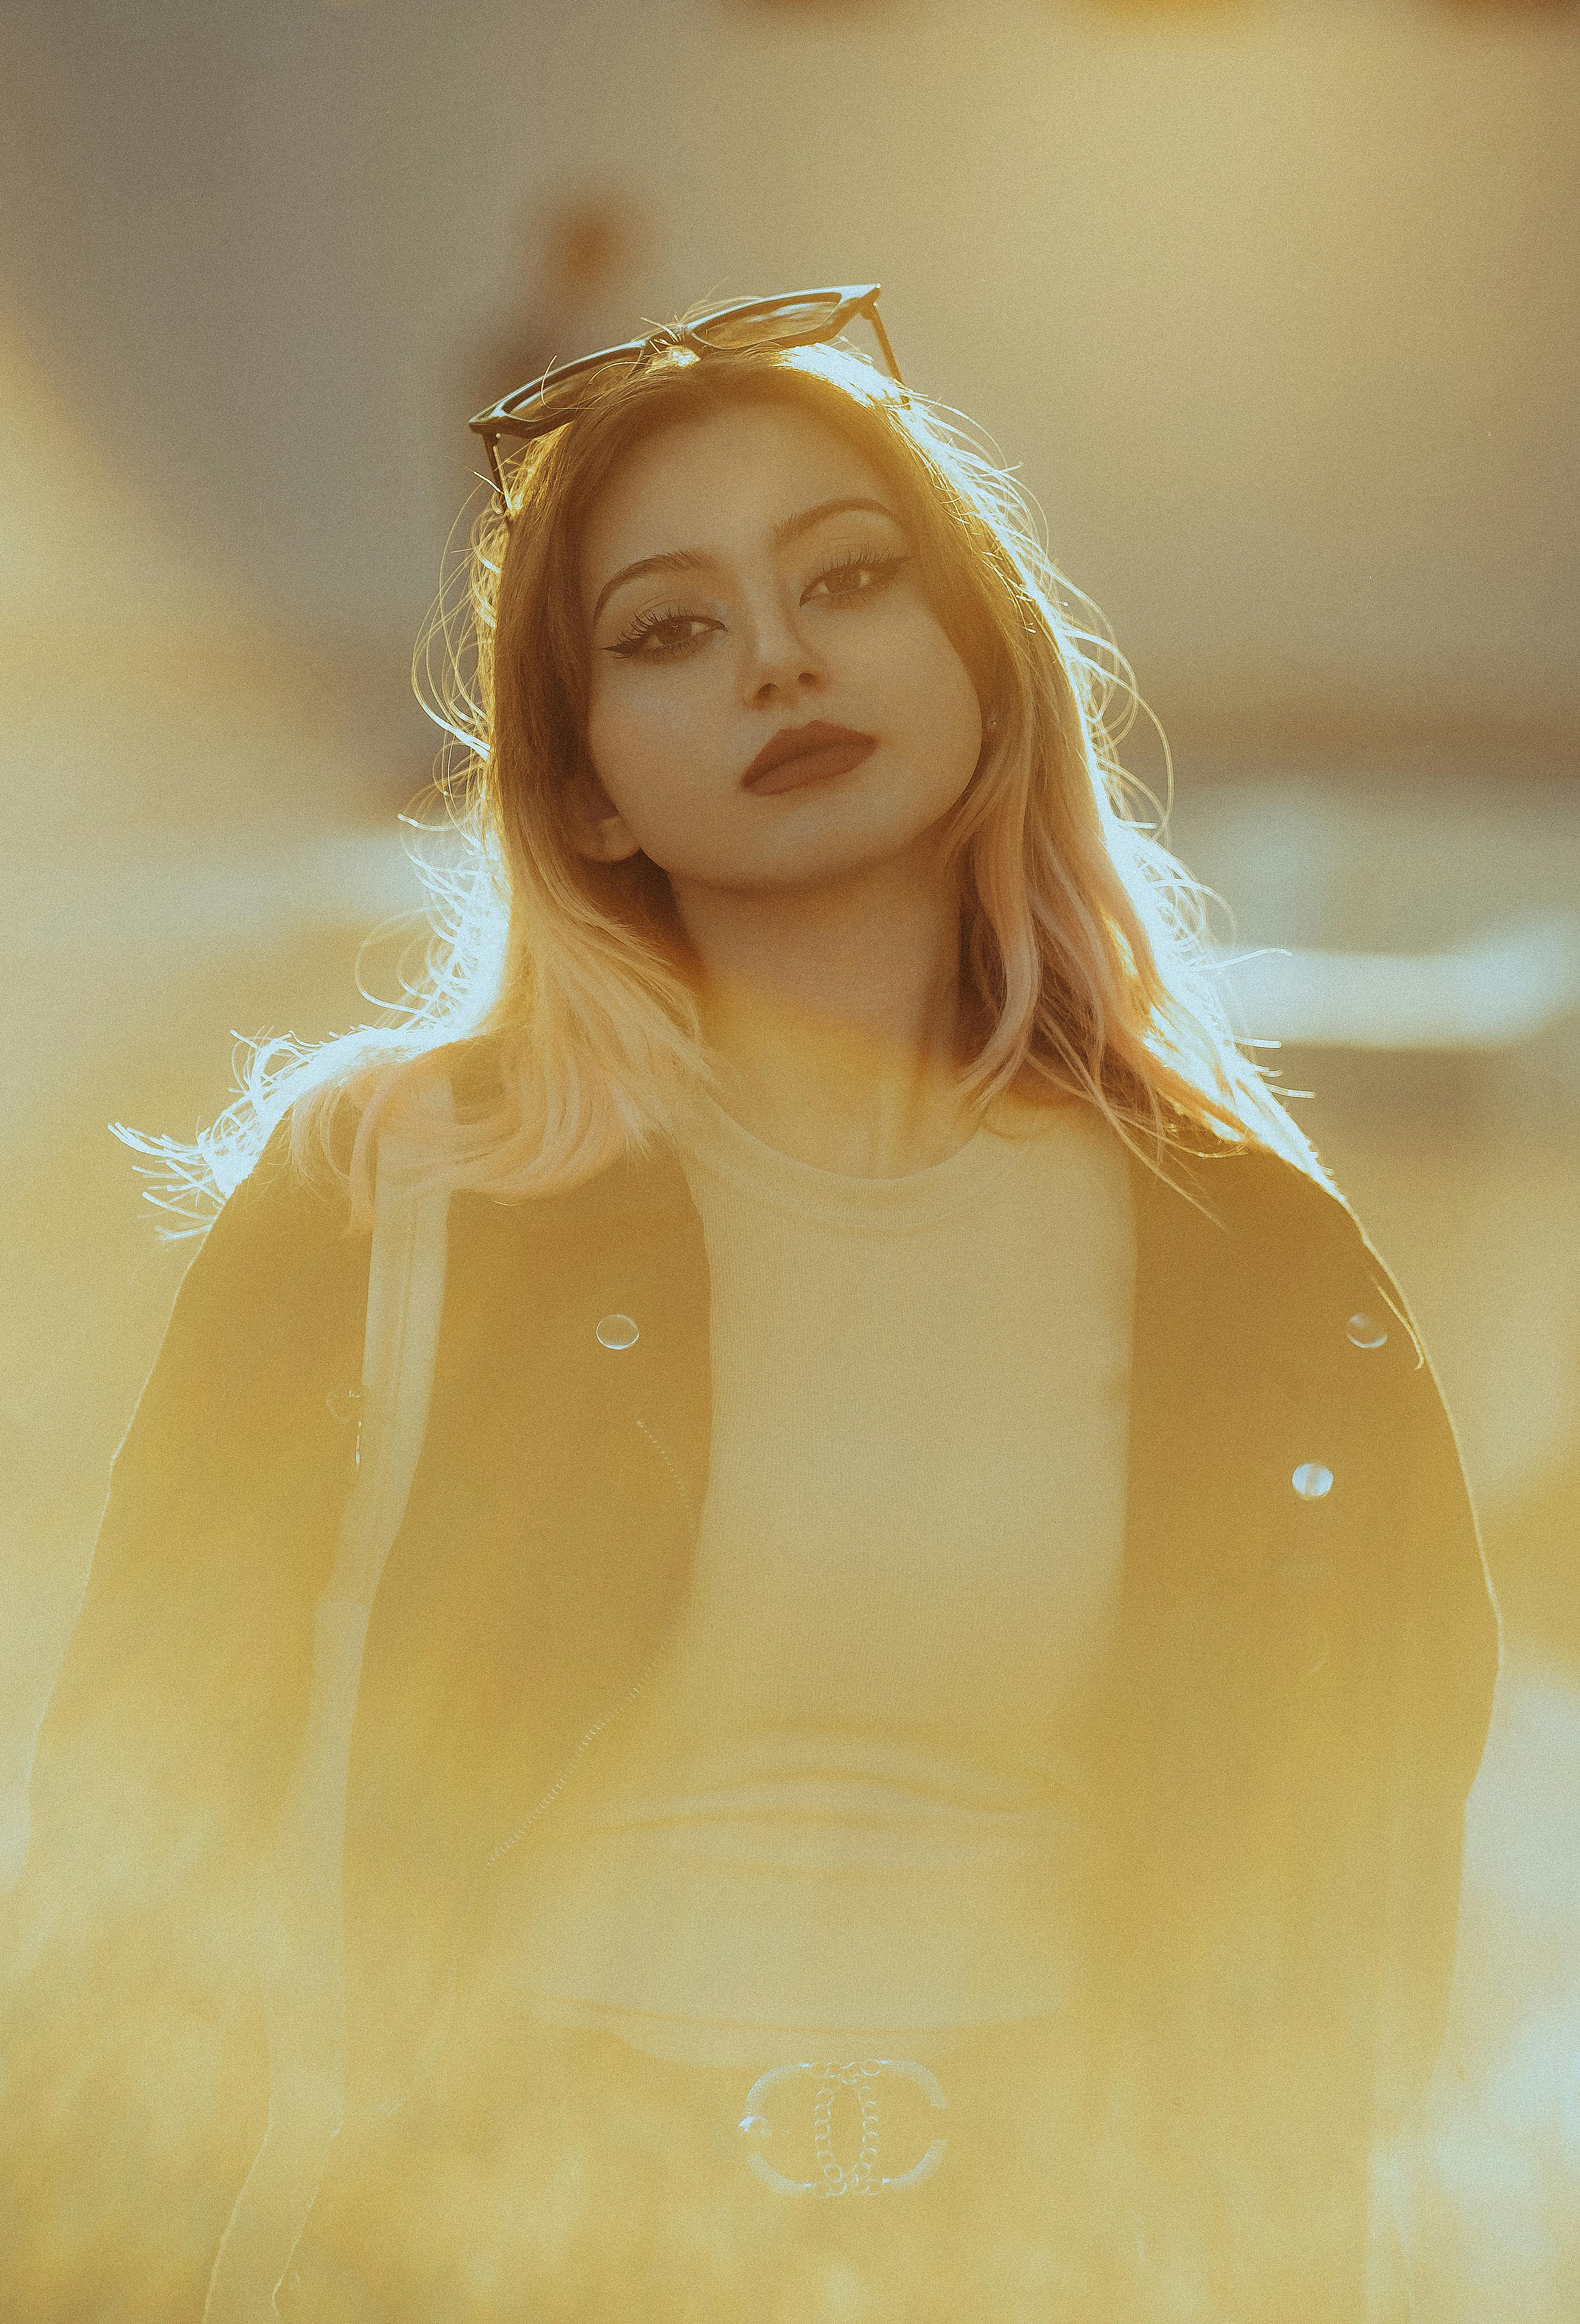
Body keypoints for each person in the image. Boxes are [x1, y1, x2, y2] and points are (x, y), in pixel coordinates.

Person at [2, 289, 1499, 2323]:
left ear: (985, 658)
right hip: (499, 2238)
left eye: (849, 581)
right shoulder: (398, 1194)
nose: (781, 658)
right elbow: (139, 1828)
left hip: (1059, 2250)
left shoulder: (1255, 1252)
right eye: (670, 631)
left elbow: (1356, 1886)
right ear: (589, 783)